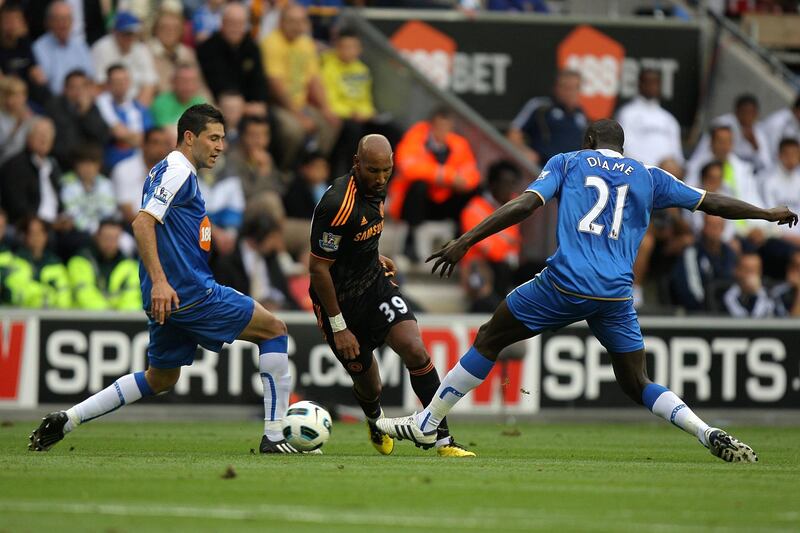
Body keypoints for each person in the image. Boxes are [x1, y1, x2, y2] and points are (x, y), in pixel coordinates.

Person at [376, 119, 798, 463]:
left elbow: (525, 204)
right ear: (623, 145)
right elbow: (713, 203)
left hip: (564, 283)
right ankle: (705, 432)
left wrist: (467, 240)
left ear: (590, 140)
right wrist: (765, 213)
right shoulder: (650, 177)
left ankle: (428, 422)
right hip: (615, 294)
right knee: (637, 382)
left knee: (490, 337)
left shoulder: (569, 161)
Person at [29, 104, 306, 455]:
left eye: (223, 138)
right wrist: (161, 281)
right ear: (189, 137)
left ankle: (68, 419)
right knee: (275, 330)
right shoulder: (177, 170)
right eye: (214, 138)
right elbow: (142, 223)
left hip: (169, 296)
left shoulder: (166, 169)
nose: (221, 146)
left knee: (160, 378)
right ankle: (275, 435)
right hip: (189, 291)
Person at [308, 134, 474, 457]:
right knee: (372, 387)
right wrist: (339, 326)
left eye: (387, 170)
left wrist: (373, 255)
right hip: (339, 303)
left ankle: (443, 440)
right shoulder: (337, 204)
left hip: (374, 285)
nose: (381, 178)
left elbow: (358, 237)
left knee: (415, 349)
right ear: (357, 164)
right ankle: (374, 420)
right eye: (373, 171)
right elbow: (318, 269)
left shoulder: (378, 190)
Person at [388, 106, 480, 249]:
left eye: (447, 127)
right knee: (419, 185)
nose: (443, 131)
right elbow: (409, 168)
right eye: (439, 126)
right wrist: (446, 176)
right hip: (414, 204)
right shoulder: (415, 138)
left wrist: (461, 182)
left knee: (474, 190)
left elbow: (472, 174)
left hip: (443, 200)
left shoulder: (459, 143)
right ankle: (410, 242)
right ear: (431, 125)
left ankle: (461, 241)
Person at [261, 3, 339, 169]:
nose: (297, 26)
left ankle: (314, 168)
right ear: (281, 22)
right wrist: (298, 115)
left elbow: (314, 79)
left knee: (331, 123)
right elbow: (275, 85)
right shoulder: (271, 43)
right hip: (278, 105)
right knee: (294, 131)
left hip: (302, 104)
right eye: (292, 21)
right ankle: (286, 171)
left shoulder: (306, 43)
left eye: (301, 21)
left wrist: (325, 108)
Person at [507, 69, 587, 165]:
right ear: (556, 88)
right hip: (544, 170)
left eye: (575, 88)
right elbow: (514, 133)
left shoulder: (580, 114)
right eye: (567, 88)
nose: (571, 93)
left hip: (572, 171)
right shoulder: (540, 106)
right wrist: (525, 152)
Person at [67, 219, 142, 310]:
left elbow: (131, 299)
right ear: (97, 237)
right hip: (87, 320)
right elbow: (85, 295)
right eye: (106, 237)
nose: (110, 243)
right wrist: (108, 317)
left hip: (121, 321)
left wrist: (119, 319)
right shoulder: (80, 261)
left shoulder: (130, 266)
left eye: (115, 238)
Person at [615, 68, 684, 166]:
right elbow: (625, 148)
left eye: (656, 83)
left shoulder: (668, 118)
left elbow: (677, 154)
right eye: (649, 82)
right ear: (640, 84)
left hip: (668, 173)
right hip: (640, 170)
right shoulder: (627, 113)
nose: (653, 86)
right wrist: (652, 168)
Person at [44, 69, 110, 169]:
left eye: (83, 87)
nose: (78, 92)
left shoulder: (91, 107)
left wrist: (85, 114)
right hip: (64, 163)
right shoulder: (55, 107)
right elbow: (64, 143)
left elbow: (102, 137)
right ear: (65, 89)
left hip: (90, 163)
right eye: (74, 87)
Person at [91, 12, 158, 106]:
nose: (129, 37)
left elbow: (149, 85)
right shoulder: (101, 48)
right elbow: (100, 86)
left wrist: (137, 111)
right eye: (125, 33)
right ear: (115, 32)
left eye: (132, 33)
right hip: (109, 104)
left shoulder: (142, 50)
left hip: (136, 104)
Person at [5, 215, 71, 308]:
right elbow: (17, 295)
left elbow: (64, 297)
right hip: (24, 317)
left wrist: (35, 291)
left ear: (46, 235)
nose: (36, 237)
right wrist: (48, 292)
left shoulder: (56, 263)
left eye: (40, 232)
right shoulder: (14, 262)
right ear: (25, 236)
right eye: (32, 233)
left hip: (54, 318)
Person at [95, 64, 153, 169]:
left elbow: (146, 139)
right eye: (116, 81)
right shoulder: (101, 105)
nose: (121, 84)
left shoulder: (139, 108)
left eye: (124, 80)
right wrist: (133, 137)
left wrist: (125, 136)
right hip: (111, 163)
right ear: (108, 84)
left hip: (139, 164)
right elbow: (117, 132)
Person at [111, 127, 172, 225]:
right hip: (128, 226)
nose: (161, 148)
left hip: (160, 227)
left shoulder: (171, 172)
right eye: (155, 143)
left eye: (165, 144)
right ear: (144, 145)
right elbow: (127, 213)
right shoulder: (124, 169)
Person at [32, 1, 94, 95]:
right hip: (56, 101)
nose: (63, 24)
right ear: (49, 22)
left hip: (83, 98)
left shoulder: (80, 45)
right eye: (58, 19)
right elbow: (44, 83)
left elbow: (90, 77)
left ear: (72, 22)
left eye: (66, 19)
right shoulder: (39, 47)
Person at [719, 253, 774, 318]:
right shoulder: (723, 293)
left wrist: (758, 293)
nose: (750, 275)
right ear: (736, 271)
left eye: (754, 270)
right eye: (746, 270)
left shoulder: (770, 293)